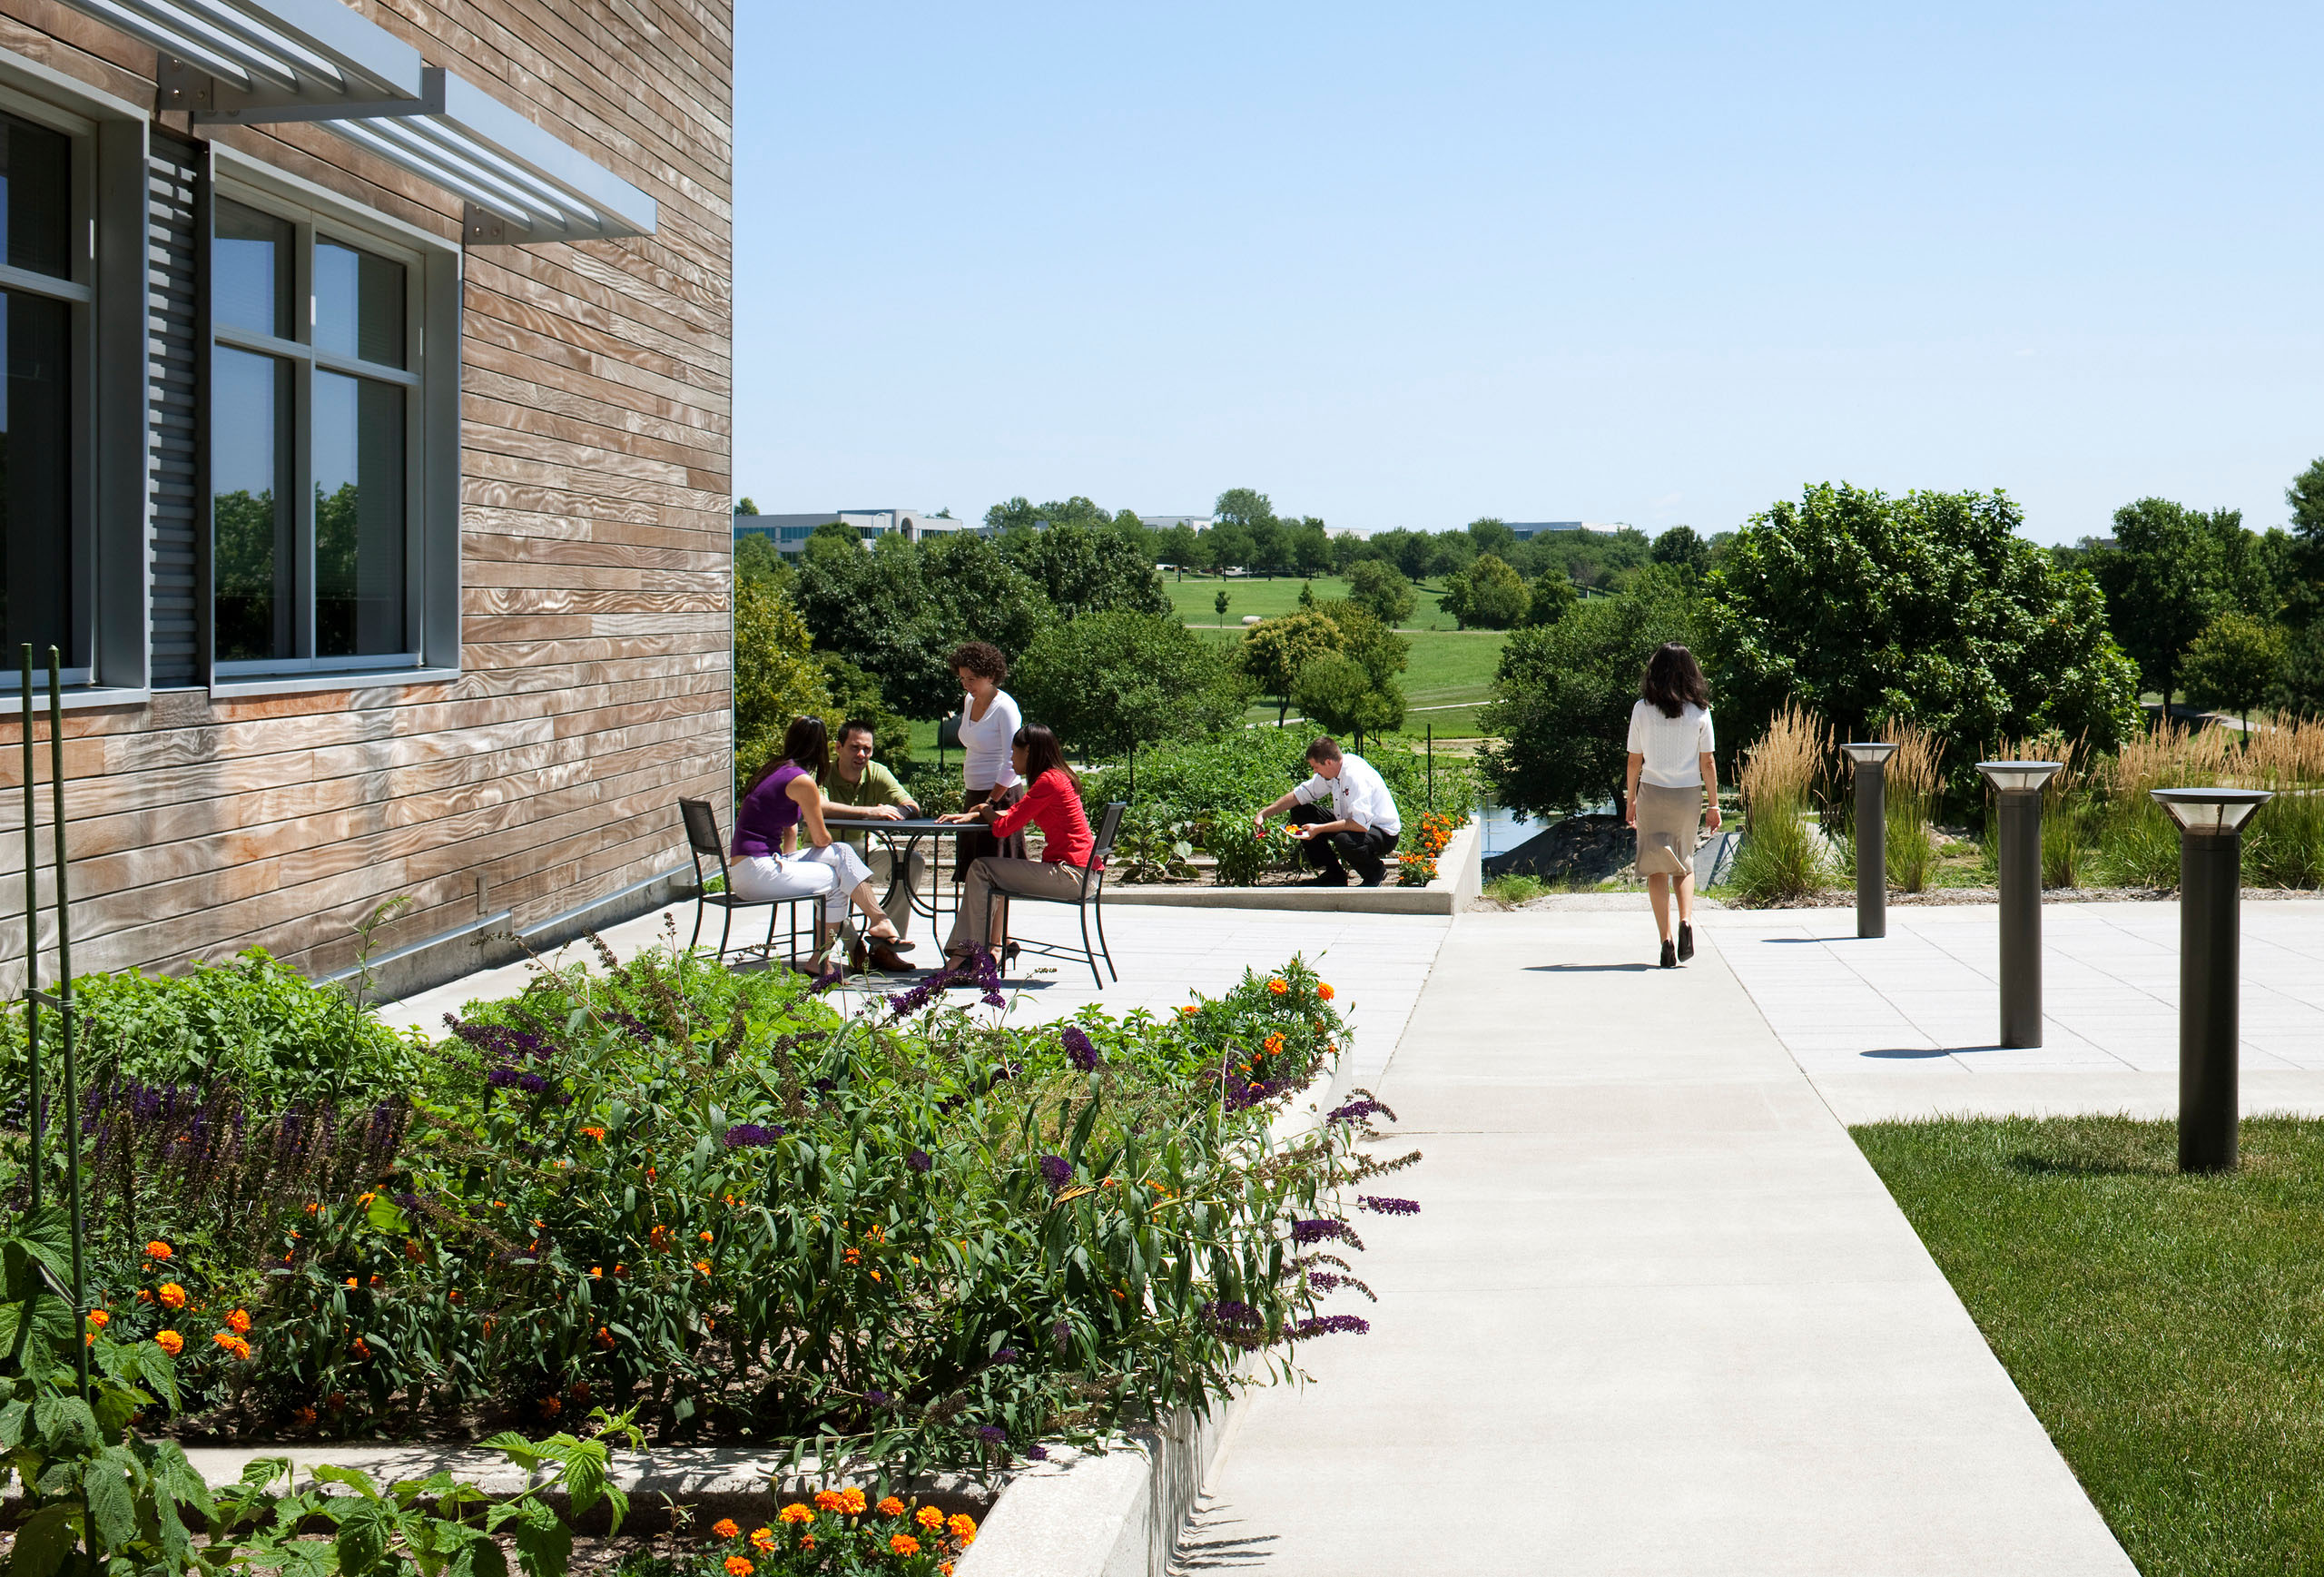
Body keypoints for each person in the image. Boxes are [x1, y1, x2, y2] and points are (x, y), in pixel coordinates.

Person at [730, 715, 913, 971]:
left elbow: (790, 829)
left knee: (840, 857)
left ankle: (851, 941)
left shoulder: (775, 770)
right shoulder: (801, 780)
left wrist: (790, 861)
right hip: (757, 873)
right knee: (835, 874)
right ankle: (830, 954)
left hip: (751, 867)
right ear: (821, 747)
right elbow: (821, 838)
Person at [939, 724, 1096, 965]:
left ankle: (968, 953)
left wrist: (983, 807)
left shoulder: (1049, 782)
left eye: (1014, 751)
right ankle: (985, 948)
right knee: (995, 872)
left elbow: (1004, 828)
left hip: (1071, 876)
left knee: (981, 868)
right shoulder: (1058, 778)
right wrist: (973, 815)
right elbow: (1015, 813)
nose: (1010, 758)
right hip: (1082, 873)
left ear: (1029, 751)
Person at [1624, 642, 1722, 969]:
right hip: (1688, 793)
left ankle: (1666, 941)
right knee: (1685, 860)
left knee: (1656, 866)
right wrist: (1714, 804)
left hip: (1652, 791)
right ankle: (1686, 922)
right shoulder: (1701, 711)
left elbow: (1634, 761)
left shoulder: (1642, 708)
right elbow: (1707, 762)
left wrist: (1631, 800)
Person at [819, 718, 922, 971]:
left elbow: (911, 805)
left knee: (912, 861)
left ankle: (885, 946)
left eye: (867, 749)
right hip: (825, 851)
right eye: (854, 747)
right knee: (833, 883)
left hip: (866, 848)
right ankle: (855, 947)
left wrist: (895, 812)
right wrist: (868, 812)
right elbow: (819, 806)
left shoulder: (877, 772)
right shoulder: (822, 772)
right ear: (838, 747)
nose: (861, 754)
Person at [947, 640, 1026, 941]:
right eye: (963, 678)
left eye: (973, 679)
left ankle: (995, 942)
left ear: (991, 676)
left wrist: (990, 802)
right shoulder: (969, 701)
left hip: (1000, 795)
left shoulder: (1005, 708)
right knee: (973, 871)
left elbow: (1012, 761)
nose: (967, 685)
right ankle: (978, 940)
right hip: (975, 792)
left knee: (997, 871)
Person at [1252, 737, 1401, 887]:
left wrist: (1318, 829)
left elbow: (1360, 824)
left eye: (1315, 767)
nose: (1314, 771)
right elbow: (1301, 794)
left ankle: (1375, 872)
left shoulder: (1355, 776)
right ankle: (1334, 875)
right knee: (1301, 811)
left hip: (1383, 833)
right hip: (1354, 822)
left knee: (1344, 840)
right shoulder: (1334, 770)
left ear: (1328, 762)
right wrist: (1263, 814)